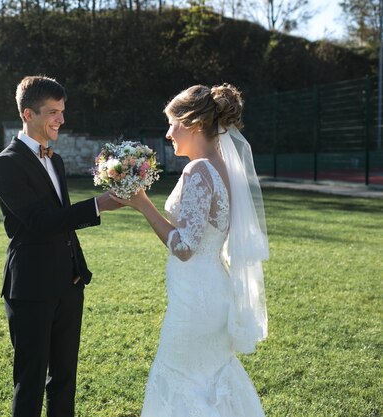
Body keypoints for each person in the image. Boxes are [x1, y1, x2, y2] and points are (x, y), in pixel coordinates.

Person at [110, 84, 269, 416]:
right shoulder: (225, 167)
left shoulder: (199, 170)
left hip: (195, 303)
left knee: (179, 378)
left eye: (173, 123)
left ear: (194, 123)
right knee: (209, 380)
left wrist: (142, 204)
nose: (168, 133)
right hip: (214, 292)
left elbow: (184, 247)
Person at [0, 75, 121, 417]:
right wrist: (98, 205)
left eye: (62, 111)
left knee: (65, 378)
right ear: (28, 114)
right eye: (53, 112)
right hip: (31, 288)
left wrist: (77, 269)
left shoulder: (56, 160)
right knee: (30, 382)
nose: (60, 119)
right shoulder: (5, 164)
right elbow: (39, 221)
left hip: (68, 284)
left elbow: (61, 221)